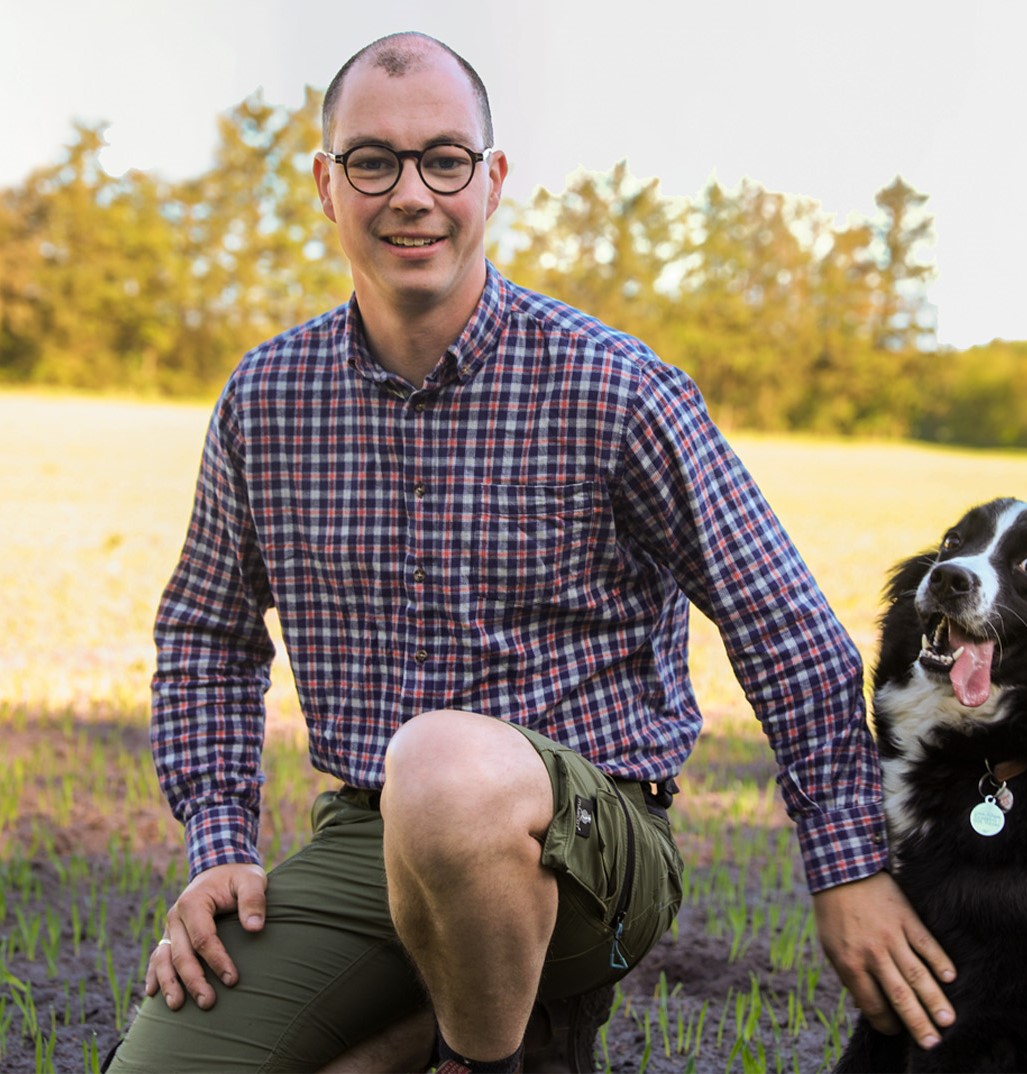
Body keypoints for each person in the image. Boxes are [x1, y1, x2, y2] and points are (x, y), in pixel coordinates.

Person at [106, 31, 955, 1074]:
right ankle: (469, 1028)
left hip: (595, 844)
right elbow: (206, 633)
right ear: (327, 186)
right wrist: (221, 844)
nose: (410, 193)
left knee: (449, 767)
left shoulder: (613, 387)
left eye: (444, 159)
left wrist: (848, 867)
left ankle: (490, 1058)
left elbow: (780, 622)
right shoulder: (266, 399)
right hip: (370, 840)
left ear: (492, 180)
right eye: (372, 161)